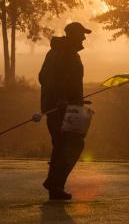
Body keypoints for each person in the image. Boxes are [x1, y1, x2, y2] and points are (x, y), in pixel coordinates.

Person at [38, 22, 91, 200]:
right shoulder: (67, 54)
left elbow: (43, 77)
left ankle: (55, 188)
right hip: (64, 109)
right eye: (81, 34)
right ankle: (54, 182)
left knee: (60, 146)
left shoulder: (53, 52)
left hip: (55, 107)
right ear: (73, 36)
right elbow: (57, 79)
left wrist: (73, 97)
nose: (84, 38)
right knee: (75, 144)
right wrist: (62, 99)